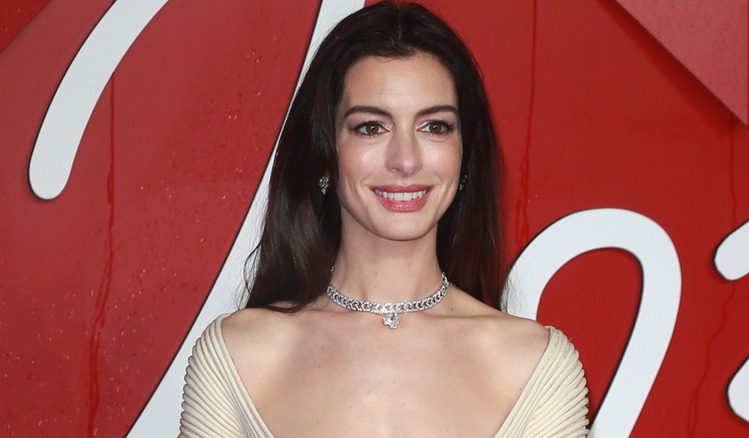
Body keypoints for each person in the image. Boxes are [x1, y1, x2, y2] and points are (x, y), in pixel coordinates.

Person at [179, 2, 589, 437]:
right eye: (372, 127)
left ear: (465, 156)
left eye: (435, 126)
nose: (406, 160)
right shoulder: (241, 355)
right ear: (324, 156)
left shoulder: (534, 364)